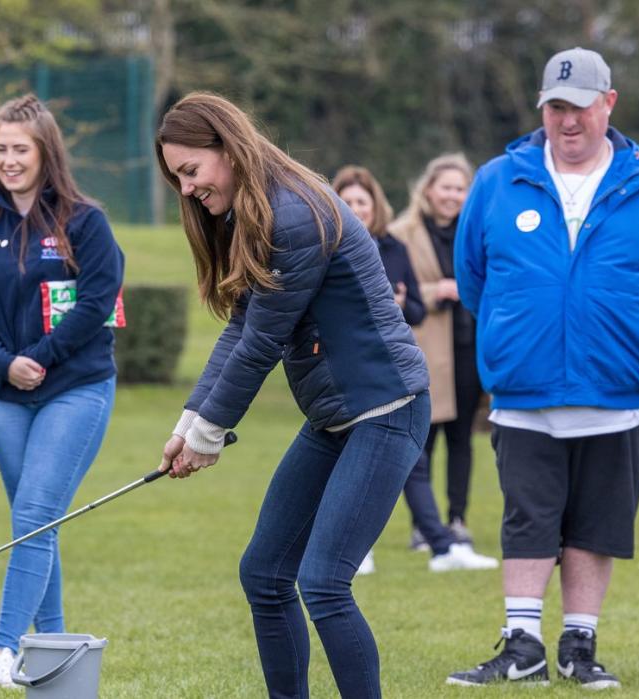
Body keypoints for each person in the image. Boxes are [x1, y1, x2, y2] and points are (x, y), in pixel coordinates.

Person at [157, 92, 430, 699]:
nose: (186, 189)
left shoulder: (293, 215)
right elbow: (241, 329)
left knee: (325, 584)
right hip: (335, 415)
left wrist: (208, 439)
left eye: (190, 171)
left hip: (385, 408)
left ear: (226, 149)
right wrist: (191, 422)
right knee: (264, 573)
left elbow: (262, 345)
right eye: (177, 177)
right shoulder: (259, 212)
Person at [446, 47, 639, 689]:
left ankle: (578, 645)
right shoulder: (497, 180)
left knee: (595, 523)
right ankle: (523, 645)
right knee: (526, 518)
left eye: (579, 107)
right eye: (555, 106)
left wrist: (626, 328)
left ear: (607, 104)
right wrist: (520, 327)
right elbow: (474, 279)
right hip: (524, 391)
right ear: (543, 108)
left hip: (614, 394)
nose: (567, 120)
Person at [0, 94, 125, 688]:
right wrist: (7, 364)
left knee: (32, 516)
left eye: (19, 149)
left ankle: (4, 650)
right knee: (37, 522)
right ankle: (53, 658)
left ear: (45, 151)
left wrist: (40, 359)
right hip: (3, 398)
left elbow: (98, 304)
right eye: (0, 149)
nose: (8, 160)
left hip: (74, 389)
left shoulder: (85, 223)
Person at [334, 166, 497, 575]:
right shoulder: (326, 248)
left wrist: (402, 303)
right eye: (347, 202)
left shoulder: (391, 248)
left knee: (408, 459)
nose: (355, 210)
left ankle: (441, 544)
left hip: (392, 368)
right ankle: (362, 547)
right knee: (353, 459)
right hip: (344, 371)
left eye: (362, 203)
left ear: (375, 207)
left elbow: (414, 310)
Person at [389, 153, 481, 547]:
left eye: (460, 189)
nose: (453, 196)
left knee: (462, 438)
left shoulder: (477, 231)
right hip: (424, 350)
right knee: (422, 438)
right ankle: (423, 527)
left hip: (469, 349)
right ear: (428, 189)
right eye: (446, 187)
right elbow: (391, 289)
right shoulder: (402, 233)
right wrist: (436, 291)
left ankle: (457, 519)